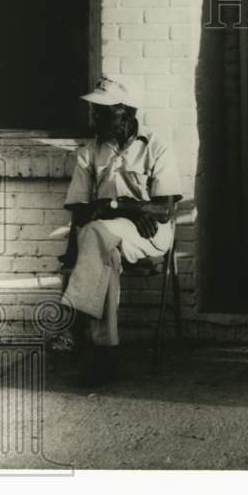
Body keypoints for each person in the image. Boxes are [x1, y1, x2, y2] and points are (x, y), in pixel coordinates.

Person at [61, 76, 181, 382]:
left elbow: (164, 211)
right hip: (105, 236)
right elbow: (78, 207)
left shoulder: (156, 147)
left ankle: (81, 330)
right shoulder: (91, 151)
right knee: (104, 251)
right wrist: (128, 207)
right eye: (95, 109)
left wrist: (117, 206)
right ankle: (106, 350)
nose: (95, 116)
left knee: (96, 232)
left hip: (149, 235)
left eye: (104, 110)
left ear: (127, 112)